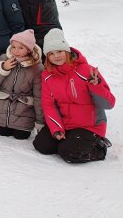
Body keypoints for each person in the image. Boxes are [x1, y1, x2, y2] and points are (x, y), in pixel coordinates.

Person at [33, 29, 116, 163]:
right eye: (51, 53)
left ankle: (99, 147)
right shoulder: (47, 76)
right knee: (42, 145)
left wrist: (96, 86)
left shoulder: (86, 70)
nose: (56, 56)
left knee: (69, 152)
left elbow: (109, 104)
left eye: (59, 51)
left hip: (89, 126)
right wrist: (56, 128)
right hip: (66, 124)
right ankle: (71, 142)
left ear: (67, 51)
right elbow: (49, 105)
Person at [0, 29, 44, 137]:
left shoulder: (37, 67)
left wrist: (40, 121)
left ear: (29, 49)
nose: (15, 51)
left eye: (21, 48)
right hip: (1, 113)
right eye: (13, 47)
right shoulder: (3, 58)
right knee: (2, 133)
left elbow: (39, 96)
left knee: (20, 136)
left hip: (23, 114)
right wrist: (3, 68)